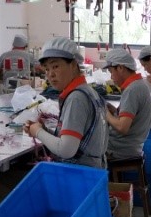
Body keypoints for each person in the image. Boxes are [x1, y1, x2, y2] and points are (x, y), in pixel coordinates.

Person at [23, 37, 107, 168]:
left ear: (73, 65)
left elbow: (66, 150)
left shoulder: (76, 98)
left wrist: (37, 131)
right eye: (47, 69)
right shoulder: (87, 91)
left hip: (80, 174)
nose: (50, 74)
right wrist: (44, 131)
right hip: (91, 171)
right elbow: (71, 141)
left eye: (55, 66)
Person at [103, 48, 151, 161]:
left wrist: (106, 113)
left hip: (120, 149)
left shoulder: (132, 90)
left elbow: (122, 127)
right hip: (133, 145)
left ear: (120, 68)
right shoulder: (142, 84)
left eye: (111, 72)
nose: (111, 77)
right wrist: (114, 111)